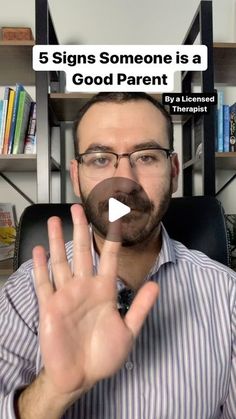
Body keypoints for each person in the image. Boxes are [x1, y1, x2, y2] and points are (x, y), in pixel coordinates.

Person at [0, 92, 236, 419]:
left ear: (174, 171)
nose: (124, 184)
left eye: (147, 156)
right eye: (100, 158)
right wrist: (54, 390)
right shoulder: (24, 292)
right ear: (76, 177)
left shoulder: (228, 294)